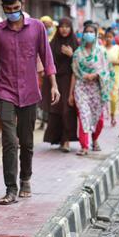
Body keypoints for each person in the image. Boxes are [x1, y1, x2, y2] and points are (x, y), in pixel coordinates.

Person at [0, 0, 60, 205]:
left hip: (29, 92)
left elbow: (47, 59)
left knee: (27, 142)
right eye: (8, 9)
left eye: (16, 8)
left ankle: (25, 178)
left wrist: (54, 85)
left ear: (23, 5)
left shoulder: (37, 28)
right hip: (5, 91)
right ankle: (11, 188)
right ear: (3, 8)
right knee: (9, 141)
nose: (12, 12)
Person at [69, 23, 115, 156]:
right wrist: (70, 94)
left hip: (97, 89)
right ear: (83, 35)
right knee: (83, 116)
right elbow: (74, 73)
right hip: (81, 88)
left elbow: (107, 70)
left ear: (95, 35)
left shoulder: (101, 52)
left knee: (98, 119)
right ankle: (84, 146)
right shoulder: (78, 53)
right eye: (86, 32)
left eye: (91, 32)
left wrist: (96, 75)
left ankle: (95, 140)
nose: (88, 34)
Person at [43, 17, 79, 152]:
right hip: (55, 81)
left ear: (71, 28)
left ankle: (66, 140)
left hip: (70, 81)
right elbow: (47, 60)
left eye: (67, 26)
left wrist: (72, 55)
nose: (64, 29)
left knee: (67, 110)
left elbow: (81, 64)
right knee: (56, 111)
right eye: (62, 26)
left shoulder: (75, 44)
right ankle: (58, 139)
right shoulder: (53, 43)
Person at [104, 28, 119, 127]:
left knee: (113, 99)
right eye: (106, 37)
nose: (108, 39)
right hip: (103, 77)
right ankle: (101, 117)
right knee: (102, 98)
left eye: (110, 37)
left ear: (113, 38)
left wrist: (113, 62)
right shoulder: (101, 49)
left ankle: (113, 116)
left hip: (114, 78)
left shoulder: (117, 48)